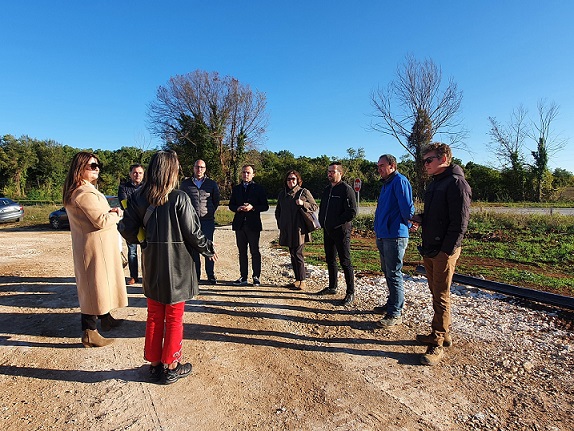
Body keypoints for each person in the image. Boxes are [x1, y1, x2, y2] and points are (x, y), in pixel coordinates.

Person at [120, 150, 217, 384]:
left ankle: (154, 364)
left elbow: (125, 229)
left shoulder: (138, 198)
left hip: (152, 263)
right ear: (170, 170)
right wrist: (208, 249)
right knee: (174, 317)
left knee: (154, 315)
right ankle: (171, 365)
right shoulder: (179, 198)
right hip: (178, 267)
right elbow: (193, 234)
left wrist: (144, 241)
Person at [410, 142, 471, 366]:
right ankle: (442, 334)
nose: (425, 164)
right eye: (424, 160)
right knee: (437, 294)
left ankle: (436, 343)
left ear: (443, 158)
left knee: (442, 296)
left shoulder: (457, 183)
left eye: (429, 160)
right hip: (430, 248)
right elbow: (437, 215)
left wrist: (447, 251)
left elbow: (460, 223)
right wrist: (421, 218)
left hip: (443, 251)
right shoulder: (436, 183)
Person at [63, 152, 128, 348]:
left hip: (97, 247)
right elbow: (100, 220)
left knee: (101, 284)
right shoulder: (83, 193)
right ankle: (89, 332)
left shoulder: (84, 190)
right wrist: (117, 214)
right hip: (93, 249)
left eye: (98, 165)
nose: (97, 168)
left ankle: (106, 318)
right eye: (92, 165)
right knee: (93, 288)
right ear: (80, 168)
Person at [373, 154, 415, 327]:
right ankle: (391, 304)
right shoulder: (386, 184)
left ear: (392, 165)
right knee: (387, 271)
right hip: (383, 234)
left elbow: (407, 207)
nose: (379, 169)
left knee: (394, 273)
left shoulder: (400, 181)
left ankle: (395, 313)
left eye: (382, 165)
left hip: (395, 235)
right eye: (378, 166)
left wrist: (413, 221)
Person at [316, 162, 357, 306]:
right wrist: (322, 221)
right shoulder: (327, 189)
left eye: (333, 171)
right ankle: (332, 287)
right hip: (327, 231)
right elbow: (323, 208)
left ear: (340, 173)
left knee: (345, 262)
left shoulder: (346, 190)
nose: (330, 174)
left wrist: (336, 222)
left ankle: (350, 292)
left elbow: (352, 212)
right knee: (330, 259)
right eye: (328, 171)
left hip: (341, 231)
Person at [275, 170, 318, 290]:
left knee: (298, 254)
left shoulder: (303, 192)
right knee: (292, 254)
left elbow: (314, 206)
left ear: (297, 180)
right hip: (287, 229)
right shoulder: (282, 194)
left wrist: (303, 203)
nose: (291, 181)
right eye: (289, 179)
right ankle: (297, 279)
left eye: (293, 179)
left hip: (300, 229)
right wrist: (280, 223)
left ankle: (303, 280)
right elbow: (278, 210)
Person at [180, 160, 220, 285]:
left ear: (205, 169)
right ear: (193, 168)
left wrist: (209, 212)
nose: (199, 169)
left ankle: (210, 275)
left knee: (208, 246)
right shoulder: (185, 184)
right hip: (191, 221)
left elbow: (216, 200)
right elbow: (182, 201)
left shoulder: (211, 184)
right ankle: (195, 276)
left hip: (207, 220)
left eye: (202, 167)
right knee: (194, 248)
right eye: (197, 167)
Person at [229, 164, 269, 286]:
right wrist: (238, 208)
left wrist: (253, 207)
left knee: (254, 251)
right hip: (240, 224)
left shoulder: (259, 188)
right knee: (242, 251)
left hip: (253, 224)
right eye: (244, 172)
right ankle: (243, 276)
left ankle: (256, 276)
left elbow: (265, 206)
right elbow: (231, 205)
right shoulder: (236, 189)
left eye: (248, 173)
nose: (246, 175)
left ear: (253, 174)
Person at [118, 163, 145, 285]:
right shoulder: (123, 187)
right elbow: (125, 204)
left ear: (143, 174)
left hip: (145, 224)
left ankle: (148, 276)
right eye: (135, 172)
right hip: (131, 224)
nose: (137, 175)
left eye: (140, 173)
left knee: (146, 251)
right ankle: (133, 276)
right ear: (130, 174)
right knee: (132, 251)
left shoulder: (148, 187)